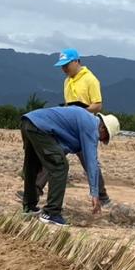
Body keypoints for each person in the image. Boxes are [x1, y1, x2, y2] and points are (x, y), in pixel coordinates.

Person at [20, 106, 119, 225]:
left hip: (28, 122)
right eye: (105, 138)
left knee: (33, 166)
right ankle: (52, 213)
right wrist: (95, 194)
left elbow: (62, 146)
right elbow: (91, 162)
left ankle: (29, 207)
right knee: (60, 167)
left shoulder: (85, 120)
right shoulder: (91, 127)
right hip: (39, 128)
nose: (102, 141)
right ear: (103, 129)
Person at [55, 48, 110, 204]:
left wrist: (81, 111)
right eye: (62, 66)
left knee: (89, 162)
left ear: (76, 61)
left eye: (66, 65)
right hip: (68, 128)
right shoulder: (66, 81)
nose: (64, 68)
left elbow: (98, 106)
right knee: (55, 155)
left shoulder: (91, 80)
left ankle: (102, 195)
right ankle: (34, 191)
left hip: (85, 128)